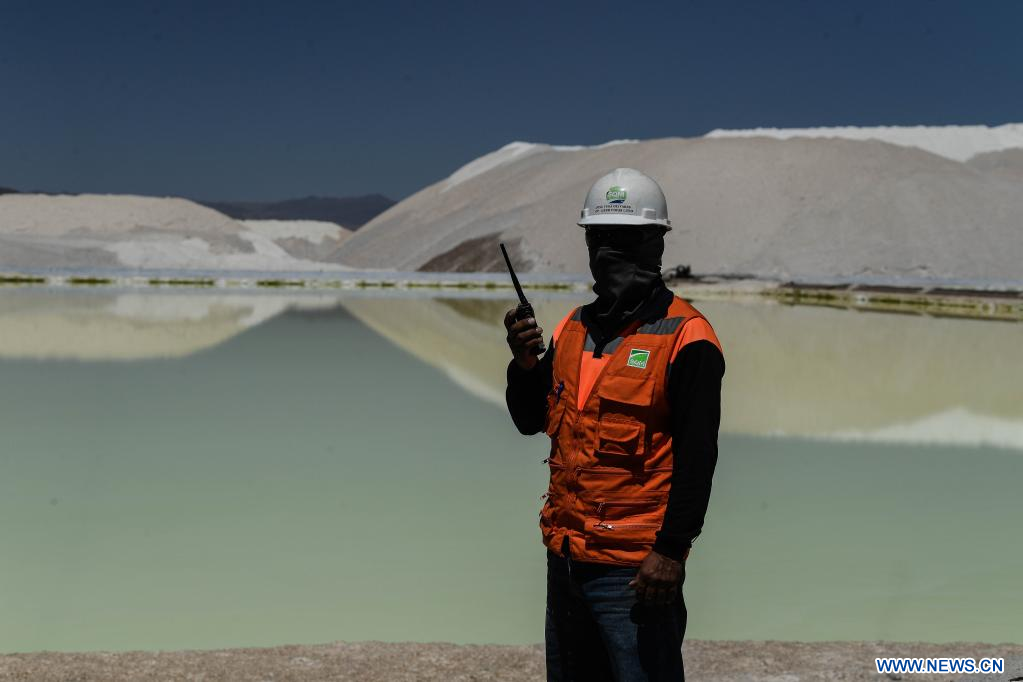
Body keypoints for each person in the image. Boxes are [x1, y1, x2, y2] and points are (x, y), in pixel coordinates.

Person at [503, 168, 725, 681]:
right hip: (566, 556)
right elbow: (529, 421)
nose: (608, 251)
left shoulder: (688, 338)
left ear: (655, 244)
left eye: (624, 239)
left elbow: (698, 459)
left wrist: (671, 552)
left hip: (634, 569)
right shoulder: (572, 328)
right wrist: (525, 365)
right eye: (598, 237)